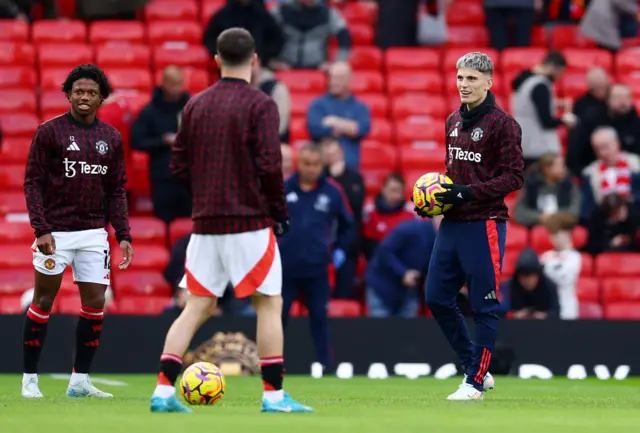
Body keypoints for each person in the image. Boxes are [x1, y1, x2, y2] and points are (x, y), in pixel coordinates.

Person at [149, 28, 312, 414]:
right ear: (254, 60)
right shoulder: (261, 105)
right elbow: (271, 167)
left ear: (217, 60)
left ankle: (162, 392)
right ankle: (273, 397)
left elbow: (178, 166)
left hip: (205, 224)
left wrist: (206, 196)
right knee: (269, 304)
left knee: (195, 307)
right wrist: (279, 212)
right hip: (250, 222)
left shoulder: (194, 105)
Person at [416, 52, 524, 401]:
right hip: (453, 222)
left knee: (485, 304)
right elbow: (454, 176)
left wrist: (466, 193)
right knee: (435, 297)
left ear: (489, 82)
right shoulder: (452, 121)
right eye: (461, 78)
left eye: (472, 79)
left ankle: (474, 384)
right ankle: (474, 366)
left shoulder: (503, 124)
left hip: (485, 223)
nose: (464, 85)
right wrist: (433, 202)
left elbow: (514, 177)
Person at [22, 64, 134, 398]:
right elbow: (33, 183)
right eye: (78, 91)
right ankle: (29, 379)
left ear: (102, 97)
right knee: (44, 300)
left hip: (93, 234)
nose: (84, 97)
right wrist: (41, 228)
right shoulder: (50, 132)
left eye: (91, 92)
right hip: (55, 233)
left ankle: (80, 380)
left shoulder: (111, 138)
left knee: (95, 304)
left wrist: (123, 233)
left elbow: (116, 191)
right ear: (68, 94)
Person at [279, 143, 353, 370]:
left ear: (322, 165)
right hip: (285, 267)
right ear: (298, 163)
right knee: (278, 319)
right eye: (306, 163)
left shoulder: (333, 191)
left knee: (319, 318)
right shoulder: (283, 188)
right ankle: (271, 366)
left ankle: (325, 366)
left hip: (317, 267)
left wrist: (340, 249)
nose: (310, 168)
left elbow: (347, 225)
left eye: (315, 164)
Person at [130, 66, 192, 223]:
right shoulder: (150, 112)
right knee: (164, 222)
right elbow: (137, 141)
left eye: (179, 83)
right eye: (173, 84)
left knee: (190, 225)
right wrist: (162, 141)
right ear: (163, 84)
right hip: (163, 178)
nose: (177, 89)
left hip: (189, 177)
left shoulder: (191, 108)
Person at [511, 51, 575, 168]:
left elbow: (530, 106)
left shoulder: (525, 81)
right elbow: (546, 121)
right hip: (539, 146)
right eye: (560, 72)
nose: (559, 77)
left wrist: (555, 104)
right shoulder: (541, 85)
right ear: (553, 67)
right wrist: (564, 121)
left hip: (523, 141)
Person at [365, 218, 438, 317]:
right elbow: (384, 251)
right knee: (380, 330)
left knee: (406, 331)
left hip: (410, 292)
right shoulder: (410, 229)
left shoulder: (446, 240)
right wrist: (403, 273)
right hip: (383, 287)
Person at [306, 61, 371, 168]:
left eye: (339, 78)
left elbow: (363, 129)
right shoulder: (317, 104)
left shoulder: (360, 107)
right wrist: (349, 128)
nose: (334, 82)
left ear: (349, 79)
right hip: (321, 168)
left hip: (349, 169)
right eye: (331, 77)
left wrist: (334, 121)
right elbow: (315, 129)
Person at [512, 153, 580, 228]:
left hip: (563, 226)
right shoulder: (530, 185)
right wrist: (539, 216)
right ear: (546, 169)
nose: (564, 169)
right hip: (536, 226)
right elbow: (518, 213)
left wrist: (554, 218)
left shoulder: (570, 185)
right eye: (559, 166)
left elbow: (575, 212)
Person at [539, 212, 581, 320]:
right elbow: (539, 278)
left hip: (567, 310)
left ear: (567, 234)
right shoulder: (546, 255)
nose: (553, 238)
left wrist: (546, 268)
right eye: (552, 234)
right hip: (548, 309)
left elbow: (564, 279)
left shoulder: (575, 257)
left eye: (557, 234)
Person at [507, 248, 559, 320]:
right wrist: (514, 315)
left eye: (532, 275)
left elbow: (556, 312)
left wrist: (545, 316)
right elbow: (500, 312)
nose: (528, 280)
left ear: (538, 275)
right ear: (518, 277)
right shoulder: (509, 287)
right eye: (524, 276)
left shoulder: (549, 286)